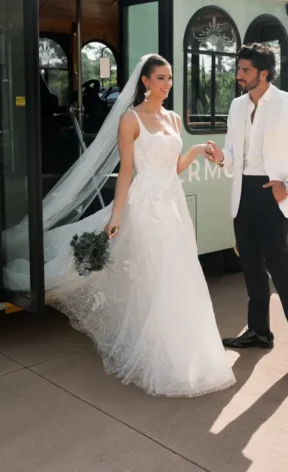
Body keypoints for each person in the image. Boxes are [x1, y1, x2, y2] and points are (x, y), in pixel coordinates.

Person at [48, 54, 237, 397]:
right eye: (161, 78)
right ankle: (159, 356)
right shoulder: (130, 119)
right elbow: (127, 171)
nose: (167, 84)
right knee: (157, 275)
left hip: (173, 203)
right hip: (146, 206)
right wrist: (116, 215)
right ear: (146, 82)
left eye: (170, 78)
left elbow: (172, 167)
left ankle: (185, 351)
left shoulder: (174, 119)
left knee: (181, 273)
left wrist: (195, 152)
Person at [205, 43, 288, 376]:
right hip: (242, 194)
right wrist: (219, 157)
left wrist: (287, 185)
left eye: (245, 70)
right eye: (239, 69)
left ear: (264, 73)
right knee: (251, 268)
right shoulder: (236, 106)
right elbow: (233, 158)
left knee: (281, 272)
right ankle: (259, 332)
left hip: (273, 197)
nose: (238, 75)